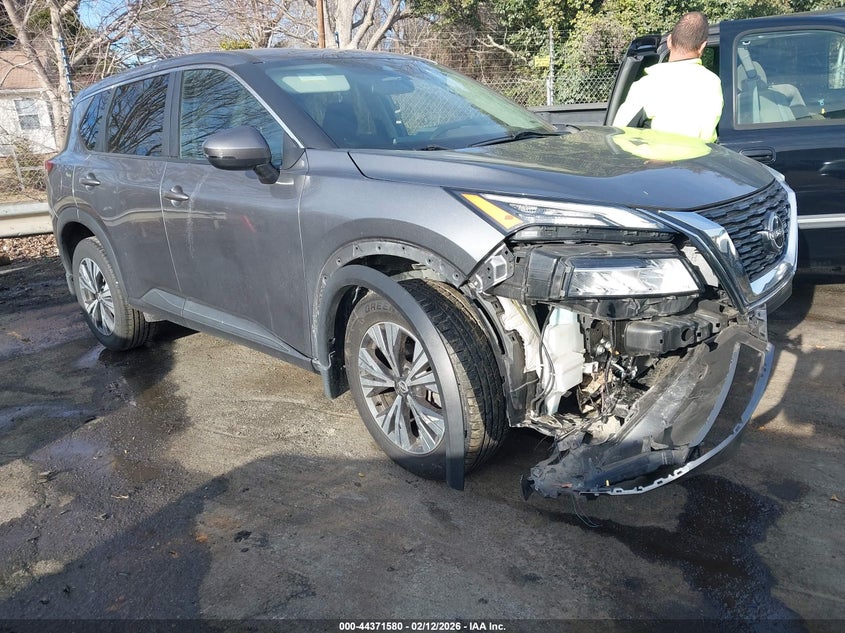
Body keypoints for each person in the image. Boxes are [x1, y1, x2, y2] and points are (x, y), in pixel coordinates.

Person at [612, 11, 723, 142]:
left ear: (669, 41)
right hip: (700, 161)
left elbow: (618, 135)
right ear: (702, 47)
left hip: (654, 160)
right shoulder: (712, 83)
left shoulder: (647, 84)